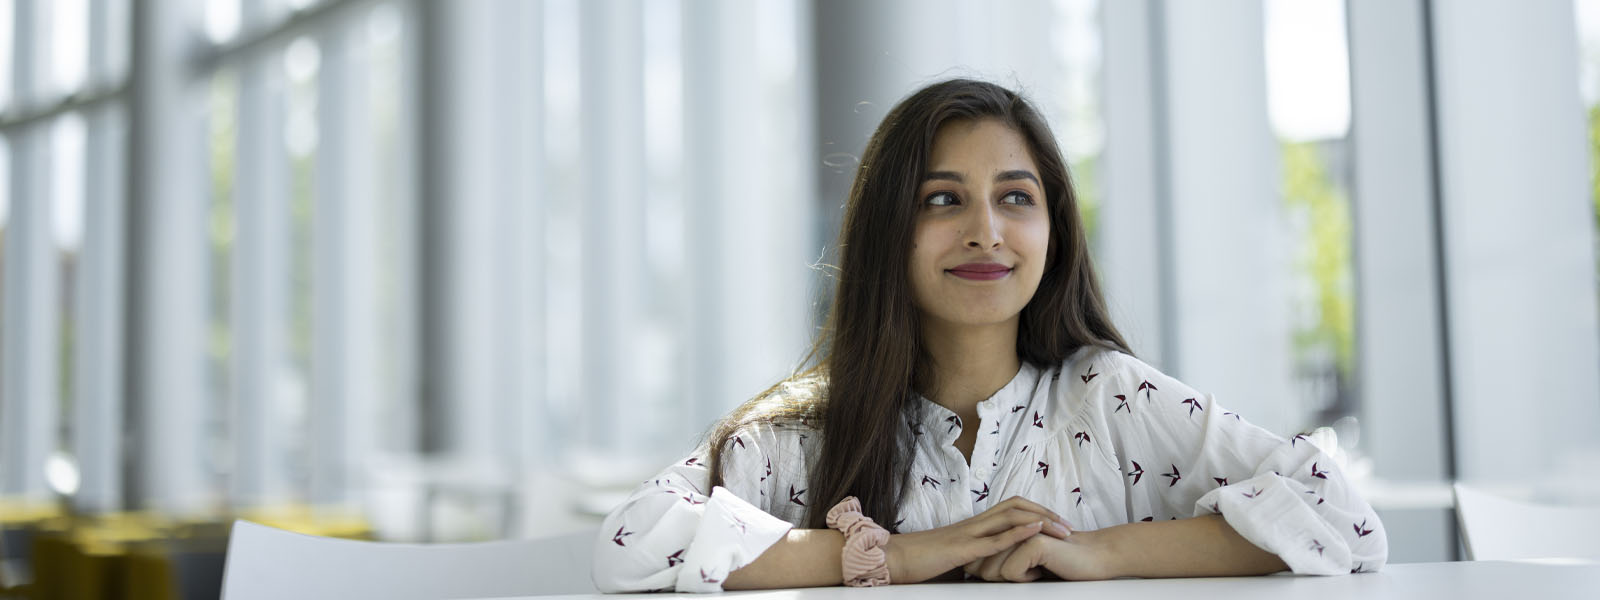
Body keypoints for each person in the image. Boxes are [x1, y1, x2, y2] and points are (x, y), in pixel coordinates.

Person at [591, 79, 1387, 593]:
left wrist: (1097, 553)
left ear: (1054, 230)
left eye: (1016, 199)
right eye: (943, 201)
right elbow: (629, 542)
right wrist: (896, 559)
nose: (985, 232)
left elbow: (1343, 520)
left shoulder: (1111, 398)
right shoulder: (804, 435)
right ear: (886, 232)